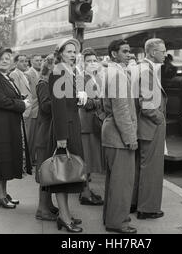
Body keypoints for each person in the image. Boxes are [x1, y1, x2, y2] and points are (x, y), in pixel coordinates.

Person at [0, 47, 32, 209]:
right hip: (1, 125)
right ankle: (0, 196)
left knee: (5, 160)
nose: (6, 60)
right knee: (0, 160)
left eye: (8, 57)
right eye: (2, 58)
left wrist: (21, 100)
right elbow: (1, 101)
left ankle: (4, 194)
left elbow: (9, 98)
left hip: (8, 124)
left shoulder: (6, 77)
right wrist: (22, 104)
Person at [48, 38, 87, 233]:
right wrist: (61, 136)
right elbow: (58, 107)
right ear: (60, 53)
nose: (73, 54)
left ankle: (66, 214)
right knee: (61, 174)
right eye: (69, 51)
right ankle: (63, 217)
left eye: (75, 51)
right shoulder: (58, 72)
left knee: (69, 172)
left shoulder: (72, 71)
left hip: (73, 124)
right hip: (65, 128)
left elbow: (75, 99)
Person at [102, 39, 138, 234]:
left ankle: (111, 218)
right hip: (119, 136)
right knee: (122, 183)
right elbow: (121, 110)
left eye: (129, 51)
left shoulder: (114, 72)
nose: (129, 54)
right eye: (125, 51)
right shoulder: (117, 75)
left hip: (112, 134)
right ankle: (119, 223)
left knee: (114, 181)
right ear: (114, 54)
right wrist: (130, 137)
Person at [131, 38, 167, 220]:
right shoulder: (147, 71)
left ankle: (135, 203)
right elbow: (147, 106)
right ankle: (148, 209)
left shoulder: (140, 68)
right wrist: (159, 118)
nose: (165, 54)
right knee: (151, 168)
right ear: (153, 52)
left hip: (143, 127)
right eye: (163, 51)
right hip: (151, 127)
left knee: (140, 166)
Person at [78, 48, 105, 206]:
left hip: (93, 122)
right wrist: (100, 102)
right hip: (86, 123)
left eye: (94, 60)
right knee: (86, 160)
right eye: (88, 61)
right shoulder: (81, 78)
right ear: (83, 63)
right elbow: (83, 102)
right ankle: (85, 193)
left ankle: (86, 189)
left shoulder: (96, 78)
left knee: (90, 160)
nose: (92, 63)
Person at [35, 54, 59, 221]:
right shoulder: (43, 84)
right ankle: (42, 208)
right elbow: (45, 107)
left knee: (49, 171)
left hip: (50, 130)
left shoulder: (49, 83)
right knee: (45, 171)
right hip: (45, 132)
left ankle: (48, 205)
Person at [9, 55, 33, 152]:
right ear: (15, 63)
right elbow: (17, 95)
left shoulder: (23, 74)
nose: (25, 63)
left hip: (27, 110)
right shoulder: (14, 74)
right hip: (23, 111)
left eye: (26, 61)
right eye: (22, 61)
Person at [25, 54, 42, 165]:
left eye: (40, 60)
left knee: (36, 135)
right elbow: (28, 93)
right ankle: (29, 159)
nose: (39, 62)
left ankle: (33, 158)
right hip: (32, 108)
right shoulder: (28, 74)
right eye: (37, 60)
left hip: (39, 108)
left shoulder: (40, 73)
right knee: (30, 135)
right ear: (31, 61)